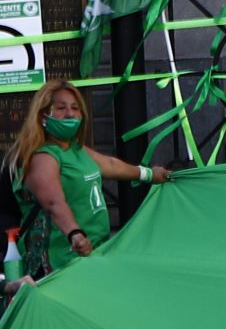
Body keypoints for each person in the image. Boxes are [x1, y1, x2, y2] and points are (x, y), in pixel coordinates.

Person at [3, 80, 172, 278]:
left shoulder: (77, 150)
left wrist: (149, 174)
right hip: (59, 263)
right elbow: (54, 202)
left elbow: (110, 165)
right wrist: (75, 234)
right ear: (43, 116)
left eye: (75, 108)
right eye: (61, 108)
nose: (70, 114)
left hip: (91, 255)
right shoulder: (42, 157)